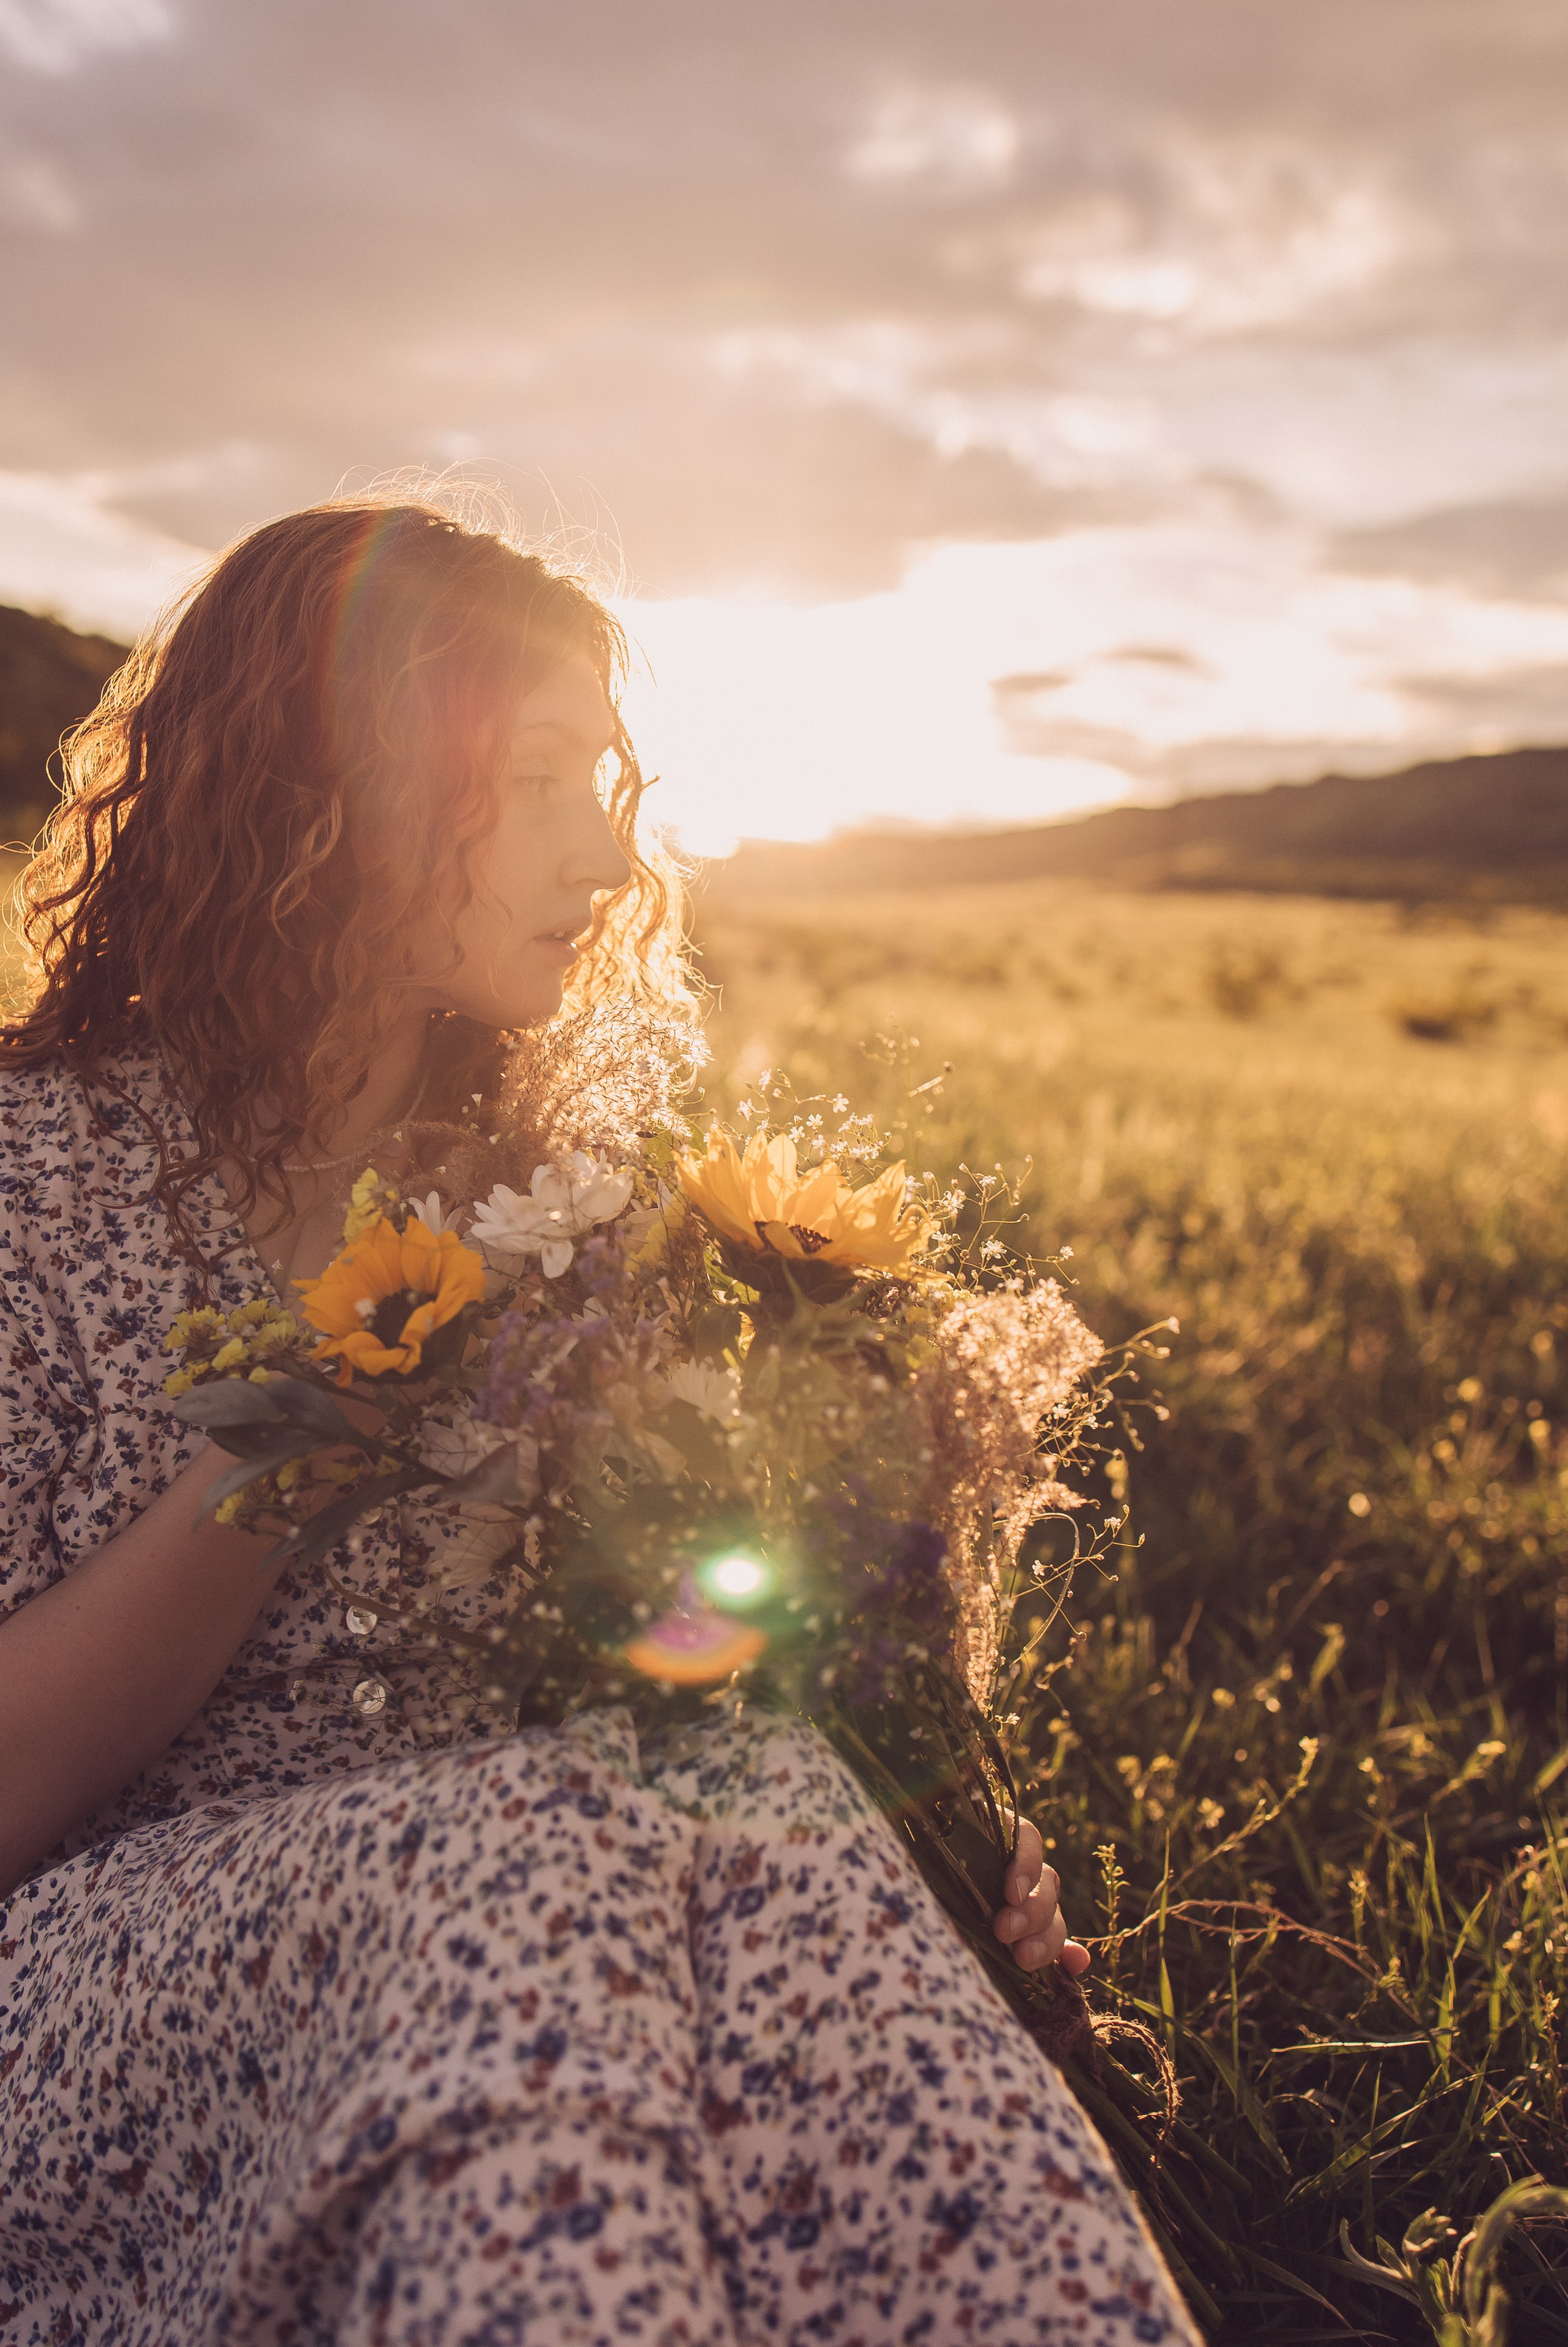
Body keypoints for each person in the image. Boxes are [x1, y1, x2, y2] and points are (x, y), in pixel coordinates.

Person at [0, 498, 1197, 2346]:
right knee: (540, 1852)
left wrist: (936, 1830)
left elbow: (679, 1646)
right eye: (538, 779)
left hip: (549, 1919)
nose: (611, 851)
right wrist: (317, 1419)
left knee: (774, 1817)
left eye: (609, 781)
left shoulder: (574, 1200)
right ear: (337, 792)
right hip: (111, 1996)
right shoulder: (33, 1176)